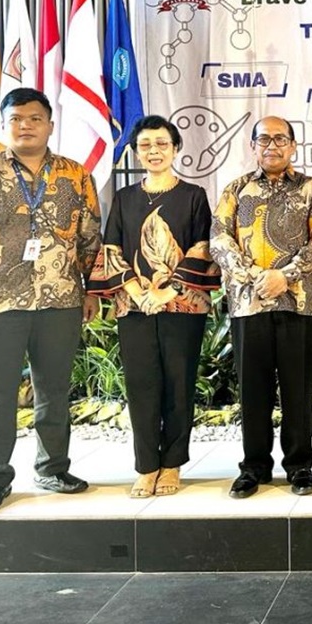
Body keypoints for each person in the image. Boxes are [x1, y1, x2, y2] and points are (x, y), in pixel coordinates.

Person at [0, 87, 101, 514]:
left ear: (50, 124)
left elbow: (89, 235)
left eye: (34, 118)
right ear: (3, 124)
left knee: (54, 389)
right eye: (16, 119)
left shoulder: (75, 174)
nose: (25, 125)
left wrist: (89, 291)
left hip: (61, 299)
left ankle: (53, 467)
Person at [89, 115, 220, 498]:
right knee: (142, 385)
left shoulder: (193, 196)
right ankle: (146, 466)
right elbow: (111, 248)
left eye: (162, 144)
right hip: (135, 307)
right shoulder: (125, 198)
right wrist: (137, 290)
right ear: (135, 151)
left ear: (176, 148)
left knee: (179, 385)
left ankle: (173, 464)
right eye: (145, 145)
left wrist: (168, 291)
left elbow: (203, 249)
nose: (154, 151)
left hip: (182, 307)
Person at [210, 116, 312, 498]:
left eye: (281, 139)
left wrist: (285, 276)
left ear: (293, 146)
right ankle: (254, 467)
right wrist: (256, 276)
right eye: (264, 139)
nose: (272, 146)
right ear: (253, 146)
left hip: (300, 305)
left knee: (298, 389)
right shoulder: (236, 190)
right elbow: (219, 240)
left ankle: (300, 466)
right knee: (253, 390)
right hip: (250, 305)